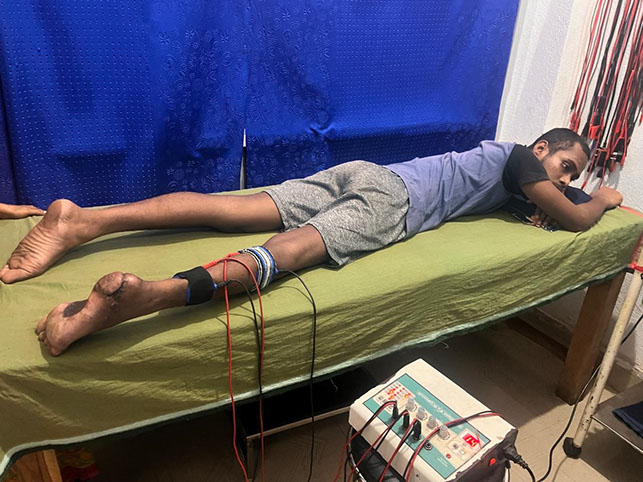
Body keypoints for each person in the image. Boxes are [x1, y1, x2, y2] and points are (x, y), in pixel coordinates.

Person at [0, 128, 623, 356]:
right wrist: (603, 200)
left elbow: (540, 206)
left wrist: (558, 197)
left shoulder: (506, 170)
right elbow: (574, 219)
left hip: (365, 173)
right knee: (293, 251)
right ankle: (151, 295)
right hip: (394, 201)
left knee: (232, 208)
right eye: (566, 168)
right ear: (542, 149)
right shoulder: (521, 160)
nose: (565, 183)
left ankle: (82, 221)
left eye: (572, 177)